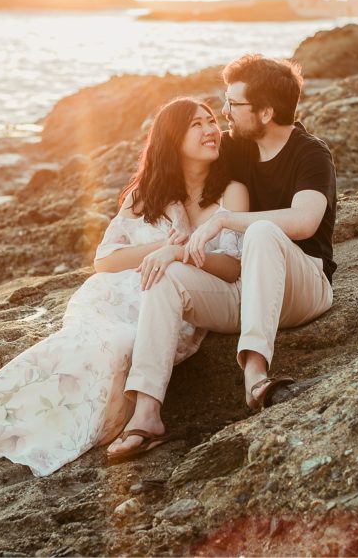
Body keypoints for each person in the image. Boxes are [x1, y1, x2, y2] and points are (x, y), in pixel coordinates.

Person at [0, 98, 249, 474]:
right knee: (75, 347)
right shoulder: (148, 194)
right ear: (172, 138)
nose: (211, 130)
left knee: (116, 350)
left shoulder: (231, 191)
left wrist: (180, 254)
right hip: (113, 298)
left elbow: (232, 268)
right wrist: (163, 246)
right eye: (197, 124)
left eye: (211, 121)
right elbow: (105, 260)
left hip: (172, 307)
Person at [107, 55, 336, 458]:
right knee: (166, 275)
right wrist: (163, 233)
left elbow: (304, 221)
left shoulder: (310, 154)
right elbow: (183, 160)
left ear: (265, 112)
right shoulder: (236, 147)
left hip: (301, 287)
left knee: (263, 232)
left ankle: (255, 374)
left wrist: (227, 221)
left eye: (233, 104)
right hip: (239, 291)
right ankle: (146, 414)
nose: (223, 113)